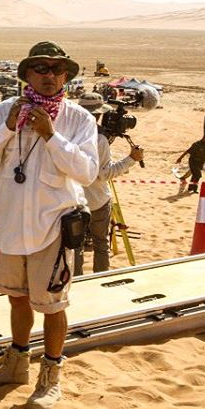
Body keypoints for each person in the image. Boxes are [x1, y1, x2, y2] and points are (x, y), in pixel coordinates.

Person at [0, 41, 98, 409]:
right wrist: (8, 129)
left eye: (57, 69)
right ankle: (16, 364)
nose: (49, 75)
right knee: (16, 297)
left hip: (52, 228)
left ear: (66, 76)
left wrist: (51, 136)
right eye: (41, 68)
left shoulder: (78, 119)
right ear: (27, 74)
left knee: (53, 306)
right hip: (11, 226)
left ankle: (51, 376)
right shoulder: (4, 111)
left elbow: (87, 172)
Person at [73, 93, 144, 275]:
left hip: (73, 202)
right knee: (101, 244)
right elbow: (104, 173)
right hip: (97, 201)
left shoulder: (69, 133)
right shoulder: (99, 139)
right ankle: (100, 278)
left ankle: (77, 281)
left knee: (75, 246)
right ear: (99, 114)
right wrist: (131, 159)